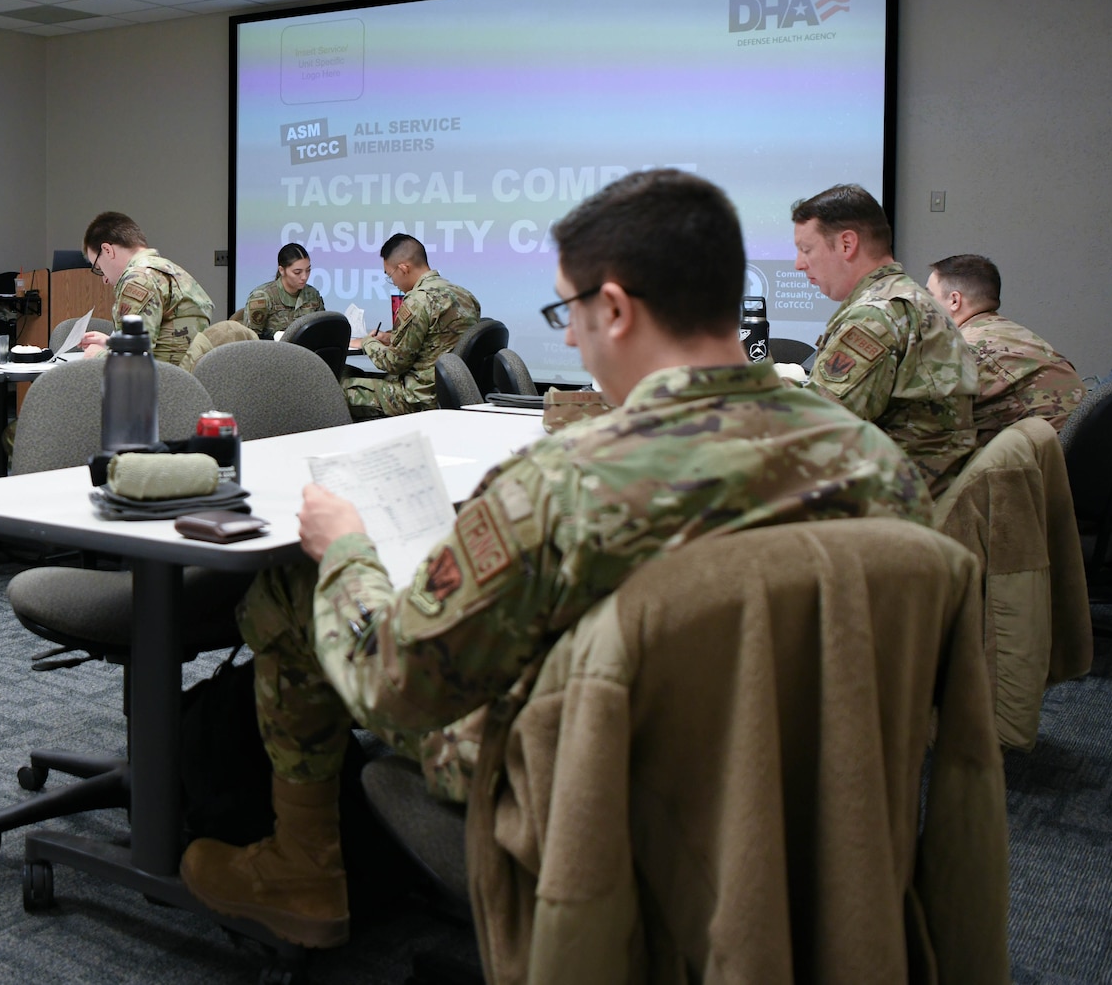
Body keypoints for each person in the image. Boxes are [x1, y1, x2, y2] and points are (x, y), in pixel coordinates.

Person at [178, 170, 931, 949]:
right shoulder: (878, 464)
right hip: (809, 801)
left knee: (293, 585)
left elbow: (393, 679)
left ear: (613, 307)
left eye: (569, 310)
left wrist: (348, 550)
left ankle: (305, 868)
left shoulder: (565, 486)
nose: (568, 337)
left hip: (595, 794)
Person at [792, 184, 977, 494]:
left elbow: (813, 429)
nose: (798, 264)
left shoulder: (875, 315)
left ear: (847, 244)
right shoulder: (906, 296)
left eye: (806, 249)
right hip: (918, 481)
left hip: (891, 499)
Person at [927, 253, 1084, 443]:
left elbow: (922, 422)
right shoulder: (1014, 334)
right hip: (1075, 455)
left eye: (929, 297)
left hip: (1047, 463)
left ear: (954, 300)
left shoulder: (970, 349)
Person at [339, 234, 479, 420]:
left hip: (417, 399)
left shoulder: (417, 301)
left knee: (333, 389)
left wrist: (367, 342)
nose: (394, 282)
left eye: (390, 276)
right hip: (447, 391)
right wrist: (389, 338)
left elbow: (394, 363)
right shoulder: (465, 295)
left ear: (403, 268)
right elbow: (436, 341)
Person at [77, 212, 214, 366]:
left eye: (99, 268)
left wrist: (96, 355)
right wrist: (112, 344)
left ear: (107, 250)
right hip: (183, 381)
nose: (104, 279)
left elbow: (133, 361)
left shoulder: (138, 279)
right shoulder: (174, 272)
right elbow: (168, 340)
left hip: (160, 384)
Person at [239, 243, 325, 339]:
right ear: (282, 270)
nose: (304, 277)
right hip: (272, 352)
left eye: (308, 270)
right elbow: (250, 339)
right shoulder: (262, 297)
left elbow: (321, 331)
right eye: (297, 272)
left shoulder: (312, 295)